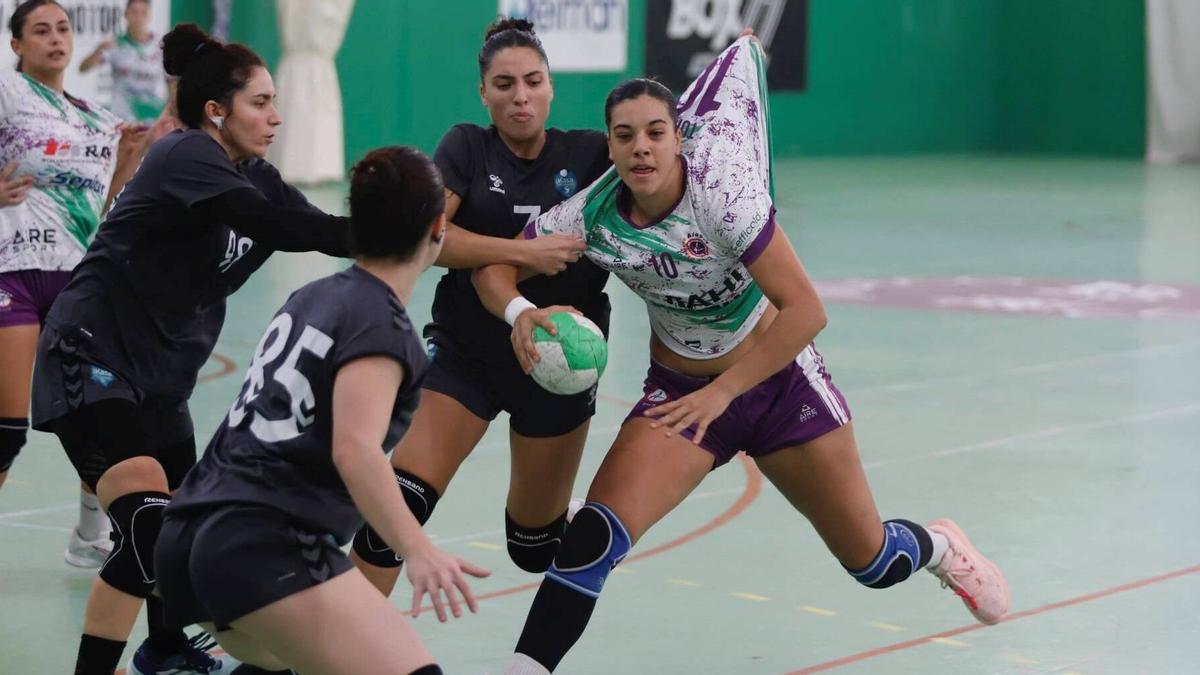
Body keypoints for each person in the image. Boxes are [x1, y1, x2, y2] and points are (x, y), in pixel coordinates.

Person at [473, 38, 1010, 674]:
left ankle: (942, 547)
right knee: (592, 537)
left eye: (655, 133)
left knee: (873, 563)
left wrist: (724, 392)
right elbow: (496, 265)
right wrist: (520, 311)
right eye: (625, 136)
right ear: (609, 148)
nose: (641, 148)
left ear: (679, 139)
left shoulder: (723, 193)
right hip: (681, 398)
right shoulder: (591, 216)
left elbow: (807, 311)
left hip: (781, 388)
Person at [30, 22, 353, 675]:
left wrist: (437, 236)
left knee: (187, 538)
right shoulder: (185, 155)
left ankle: (168, 649)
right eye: (260, 102)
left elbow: (318, 226)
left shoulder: (256, 175)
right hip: (91, 356)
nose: (276, 115)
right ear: (216, 110)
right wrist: (394, 226)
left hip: (162, 382)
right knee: (150, 528)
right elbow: (277, 225)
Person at [156, 145, 488, 675]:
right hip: (261, 540)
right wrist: (419, 549)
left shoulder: (313, 296)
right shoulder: (379, 323)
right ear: (438, 226)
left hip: (187, 536)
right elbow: (355, 449)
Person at [350, 18, 609, 592]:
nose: (521, 97)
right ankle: (337, 638)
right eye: (504, 84)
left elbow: (669, 151)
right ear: (483, 93)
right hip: (468, 352)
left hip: (558, 364)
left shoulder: (591, 154)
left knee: (533, 548)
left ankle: (572, 524)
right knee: (398, 507)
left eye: (533, 81)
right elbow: (429, 237)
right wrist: (524, 253)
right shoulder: (467, 146)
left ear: (551, 86)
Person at [0, 0, 154, 568]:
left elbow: (103, 207)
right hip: (11, 275)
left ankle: (90, 533)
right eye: (40, 30)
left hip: (77, 282)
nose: (55, 39)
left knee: (98, 417)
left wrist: (126, 162)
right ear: (17, 45)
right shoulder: (8, 93)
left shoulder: (96, 118)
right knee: (7, 430)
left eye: (62, 28)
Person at [79, 0, 168, 124]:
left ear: (149, 16)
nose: (138, 18)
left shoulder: (160, 46)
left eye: (143, 13)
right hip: (124, 121)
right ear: (126, 15)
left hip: (152, 119)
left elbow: (171, 81)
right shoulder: (115, 45)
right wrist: (98, 49)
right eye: (134, 12)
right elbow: (83, 68)